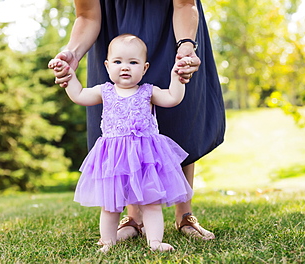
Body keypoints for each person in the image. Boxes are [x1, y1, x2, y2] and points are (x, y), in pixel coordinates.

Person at [52, 0, 225, 241]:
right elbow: (87, 15)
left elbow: (185, 4)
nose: (127, 68)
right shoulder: (107, 84)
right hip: (113, 27)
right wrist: (72, 52)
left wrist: (185, 47)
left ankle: (184, 214)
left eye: (135, 65)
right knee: (122, 148)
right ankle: (132, 217)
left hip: (173, 23)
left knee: (180, 121)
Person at [48, 34, 195, 252]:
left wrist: (177, 78)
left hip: (145, 159)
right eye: (118, 62)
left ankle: (155, 241)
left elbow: (172, 98)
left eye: (133, 62)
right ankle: (108, 241)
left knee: (151, 203)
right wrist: (69, 74)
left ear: (144, 68)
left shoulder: (148, 91)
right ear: (107, 66)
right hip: (113, 159)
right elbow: (79, 95)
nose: (124, 67)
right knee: (110, 205)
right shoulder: (104, 91)